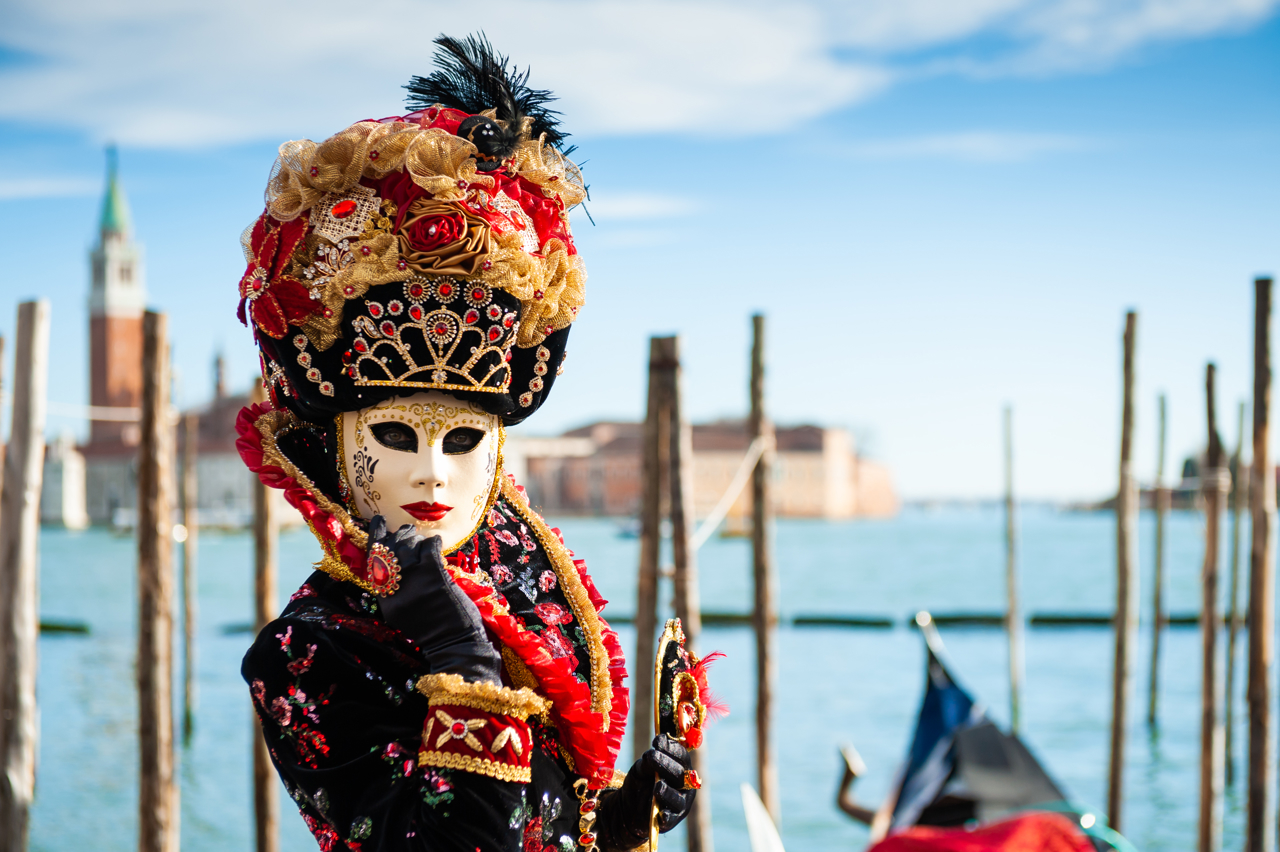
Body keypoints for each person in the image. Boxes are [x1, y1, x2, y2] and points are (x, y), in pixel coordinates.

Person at [236, 34, 697, 852]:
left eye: (461, 441)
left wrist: (619, 821)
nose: (431, 473)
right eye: (393, 435)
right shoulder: (309, 650)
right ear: (333, 444)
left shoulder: (516, 596)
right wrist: (461, 658)